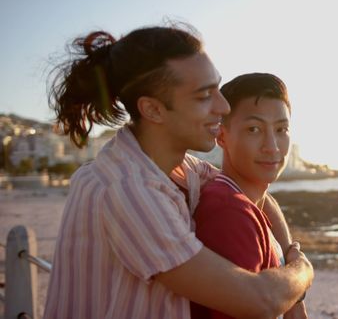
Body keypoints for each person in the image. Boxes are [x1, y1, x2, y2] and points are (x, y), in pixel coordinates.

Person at [43, 24, 313, 319]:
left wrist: (288, 249)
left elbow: (257, 196)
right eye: (204, 96)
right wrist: (301, 270)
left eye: (217, 89)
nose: (222, 107)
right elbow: (259, 299)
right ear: (153, 110)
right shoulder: (129, 190)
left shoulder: (177, 167)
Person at [190, 73, 307, 319]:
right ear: (222, 136)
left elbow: (267, 203)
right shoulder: (229, 212)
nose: (272, 146)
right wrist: (301, 272)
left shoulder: (243, 199)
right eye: (254, 129)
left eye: (281, 129)